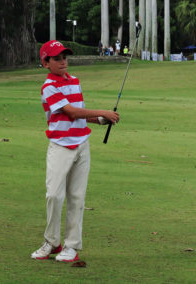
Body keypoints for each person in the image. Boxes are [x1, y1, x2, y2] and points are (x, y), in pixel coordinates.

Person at [31, 40, 119, 262]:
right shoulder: (48, 86)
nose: (63, 62)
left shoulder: (75, 81)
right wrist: (104, 112)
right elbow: (70, 112)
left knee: (77, 197)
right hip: (61, 146)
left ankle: (71, 246)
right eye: (57, 58)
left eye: (64, 57)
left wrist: (99, 120)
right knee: (54, 195)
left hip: (82, 144)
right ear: (46, 63)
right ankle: (52, 242)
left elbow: (80, 113)